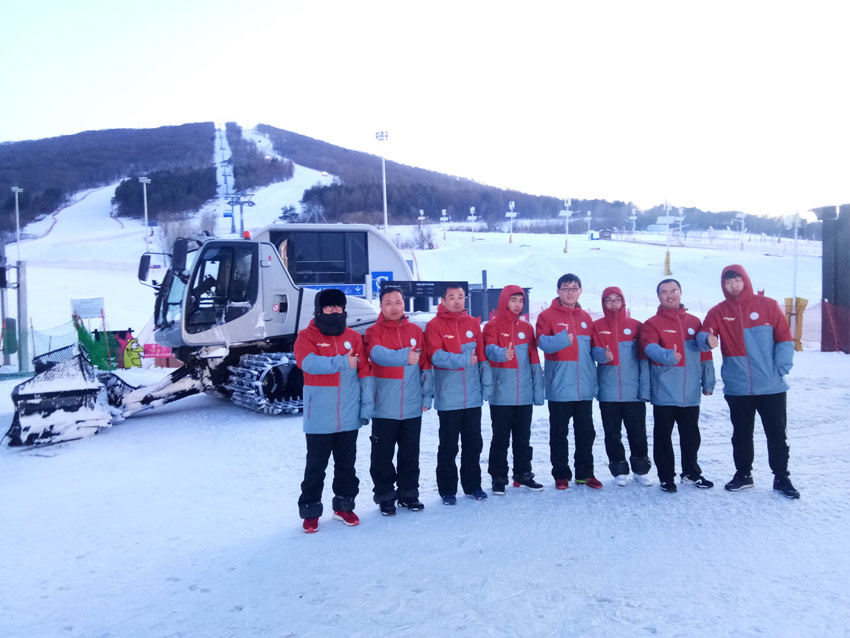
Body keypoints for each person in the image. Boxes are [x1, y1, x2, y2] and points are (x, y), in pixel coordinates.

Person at [701, 265, 800, 499]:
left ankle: (781, 478)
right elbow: (705, 332)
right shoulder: (718, 311)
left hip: (771, 386)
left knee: (776, 433)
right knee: (741, 433)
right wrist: (706, 339)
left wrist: (780, 369)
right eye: (728, 282)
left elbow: (784, 339)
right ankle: (743, 474)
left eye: (736, 280)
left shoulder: (767, 306)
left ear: (745, 280)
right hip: (738, 387)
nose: (733, 285)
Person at [294, 289, 373, 533]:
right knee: (316, 466)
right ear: (319, 310)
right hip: (319, 416)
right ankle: (310, 509)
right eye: (329, 307)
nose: (334, 311)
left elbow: (364, 374)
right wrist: (340, 362)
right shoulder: (306, 337)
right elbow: (307, 363)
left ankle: (344, 506)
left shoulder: (353, 337)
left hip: (348, 415)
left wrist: (366, 406)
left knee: (346, 466)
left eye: (338, 307)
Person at [640, 279, 715, 493]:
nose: (669, 295)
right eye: (664, 292)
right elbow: (649, 348)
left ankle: (691, 473)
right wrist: (668, 356)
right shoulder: (652, 323)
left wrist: (708, 381)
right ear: (659, 297)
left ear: (681, 293)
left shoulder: (694, 322)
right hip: (664, 390)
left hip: (690, 391)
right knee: (663, 436)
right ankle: (666, 476)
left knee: (691, 435)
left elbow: (705, 354)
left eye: (674, 291)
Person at [365, 287, 433, 516]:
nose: (394, 307)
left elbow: (424, 366)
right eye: (388, 303)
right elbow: (377, 355)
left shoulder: (415, 330)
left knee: (410, 454)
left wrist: (426, 395)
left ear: (405, 304)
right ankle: (385, 495)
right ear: (381, 306)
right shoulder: (373, 332)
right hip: (384, 406)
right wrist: (404, 356)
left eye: (398, 302)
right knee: (382, 456)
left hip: (412, 405)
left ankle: (408, 493)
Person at [424, 283, 492, 504]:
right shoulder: (434, 325)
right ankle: (447, 490)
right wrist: (463, 360)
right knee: (448, 446)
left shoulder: (473, 324)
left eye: (461, 296)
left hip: (472, 397)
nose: (457, 301)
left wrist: (486, 385)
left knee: (473, 444)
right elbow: (436, 356)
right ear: (442, 301)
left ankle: (473, 485)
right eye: (451, 297)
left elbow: (481, 358)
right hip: (448, 398)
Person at [535, 274, 601, 490]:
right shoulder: (546, 316)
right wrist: (562, 339)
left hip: (583, 386)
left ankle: (585, 473)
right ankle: (561, 475)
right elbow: (543, 343)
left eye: (575, 288)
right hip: (560, 387)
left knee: (585, 433)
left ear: (580, 291)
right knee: (559, 433)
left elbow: (592, 349)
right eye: (566, 288)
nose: (570, 292)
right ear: (558, 291)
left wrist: (603, 354)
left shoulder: (586, 318)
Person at [483, 285, 545, 494]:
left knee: (523, 438)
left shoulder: (527, 329)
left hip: (524, 394)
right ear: (504, 301)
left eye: (521, 301)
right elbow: (489, 350)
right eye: (514, 300)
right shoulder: (491, 327)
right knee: (500, 439)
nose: (518, 305)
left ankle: (523, 474)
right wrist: (502, 353)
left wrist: (537, 390)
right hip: (501, 394)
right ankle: (498, 477)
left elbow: (534, 360)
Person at [590, 286, 654, 487]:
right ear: (603, 303)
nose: (613, 303)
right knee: (612, 432)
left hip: (632, 391)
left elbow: (644, 360)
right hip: (608, 392)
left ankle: (640, 469)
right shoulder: (597, 326)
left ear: (623, 301)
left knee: (637, 431)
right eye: (608, 300)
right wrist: (603, 356)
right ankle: (618, 469)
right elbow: (592, 353)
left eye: (617, 299)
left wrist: (644, 389)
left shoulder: (636, 326)